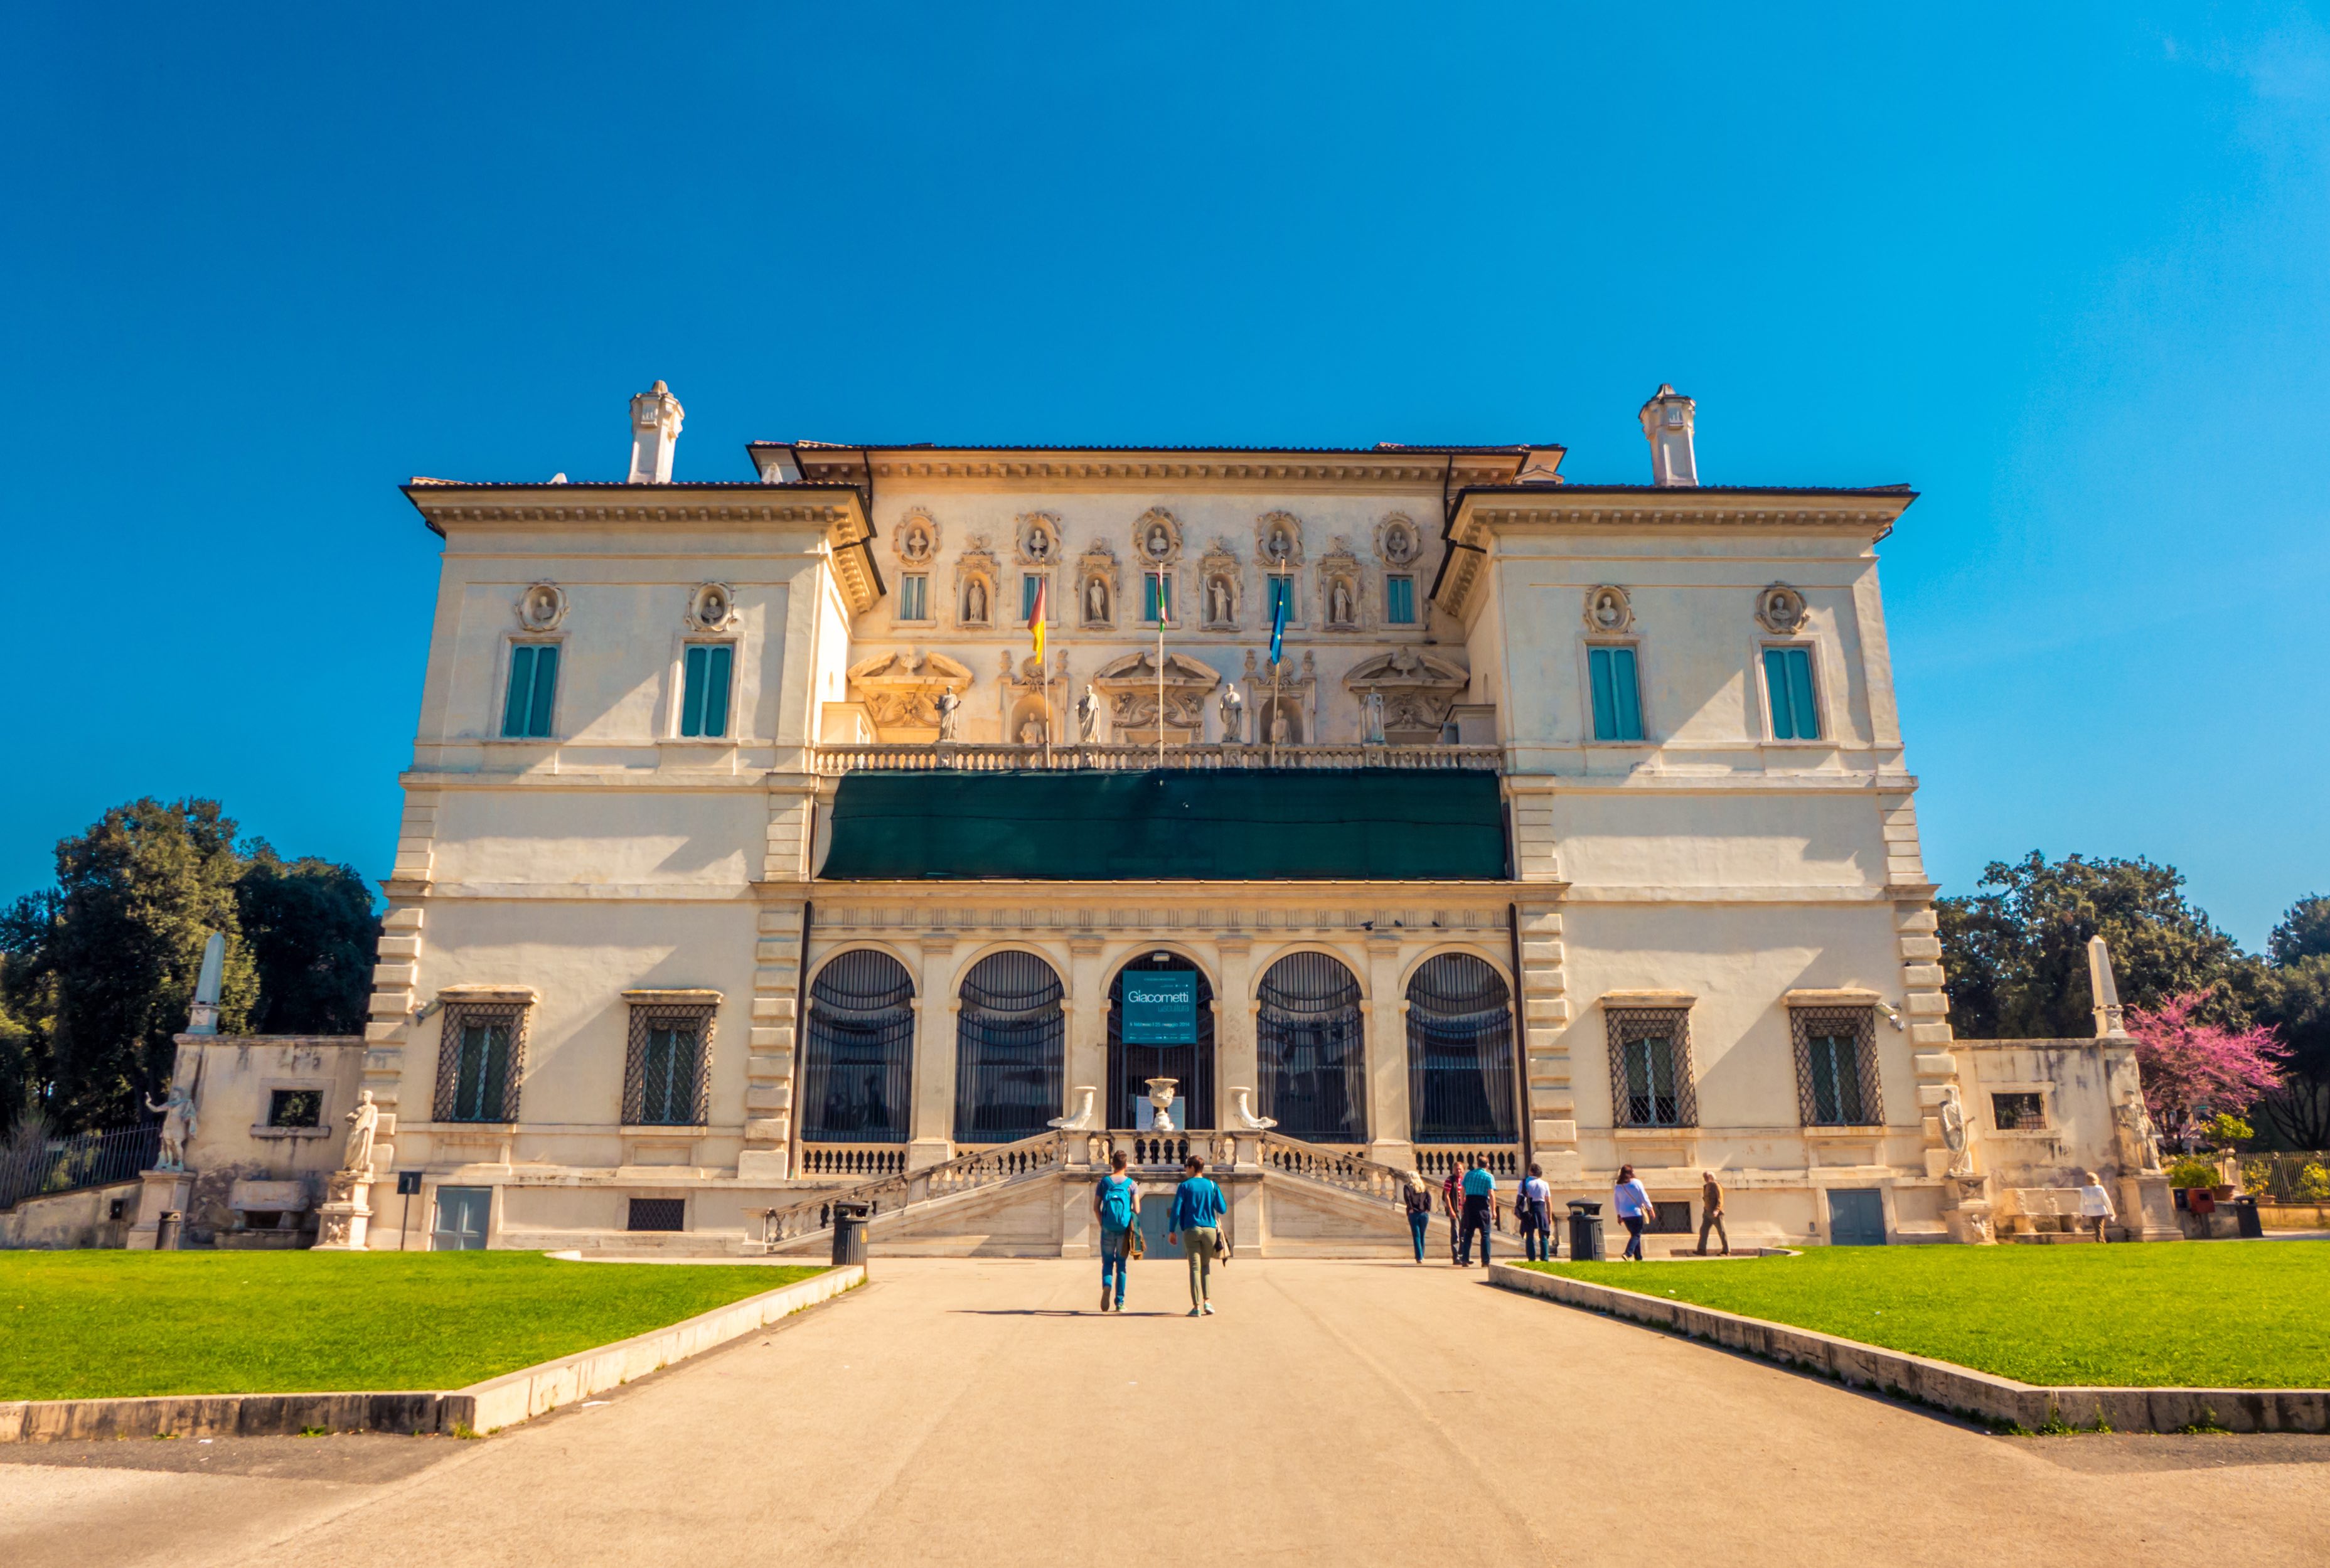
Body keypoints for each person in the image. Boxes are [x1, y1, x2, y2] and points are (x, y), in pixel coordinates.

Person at [1168, 1154, 1227, 1316]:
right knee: (1206, 1266)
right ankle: (1207, 1302)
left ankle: (1196, 1307)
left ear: (1193, 1168)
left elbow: (1176, 1210)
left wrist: (1172, 1230)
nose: (1185, 1170)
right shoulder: (1212, 1185)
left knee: (1194, 1267)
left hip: (1191, 1229)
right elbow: (1222, 1209)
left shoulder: (1185, 1186)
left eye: (1187, 1167)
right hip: (1209, 1230)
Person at [1093, 1149, 1140, 1312]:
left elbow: (1095, 1207)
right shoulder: (1132, 1184)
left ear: (1112, 1164)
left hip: (1107, 1227)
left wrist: (1102, 1223)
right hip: (1123, 1228)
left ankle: (1107, 1286)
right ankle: (1119, 1302)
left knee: (1107, 1262)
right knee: (1121, 1265)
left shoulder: (1104, 1183)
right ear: (1126, 1165)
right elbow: (1137, 1209)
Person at [1457, 1157, 1497, 1267]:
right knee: (1485, 1233)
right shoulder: (1489, 1176)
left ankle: (1465, 1258)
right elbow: (1492, 1194)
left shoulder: (1469, 1174)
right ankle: (1485, 1260)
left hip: (1469, 1204)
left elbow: (1462, 1191)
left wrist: (1462, 1205)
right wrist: (1494, 1210)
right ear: (1487, 1165)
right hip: (1482, 1204)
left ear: (1478, 1164)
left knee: (1468, 1232)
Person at [1613, 1164, 1655, 1261]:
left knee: (1634, 1235)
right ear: (1632, 1172)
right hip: (1636, 1213)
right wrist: (1650, 1208)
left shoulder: (1618, 1186)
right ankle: (1628, 1253)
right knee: (1636, 1234)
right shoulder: (1636, 1183)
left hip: (1624, 1214)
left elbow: (1616, 1202)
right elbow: (1644, 1196)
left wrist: (1619, 1215)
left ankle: (1638, 1257)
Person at [1520, 1162, 1555, 1262]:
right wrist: (1550, 1216)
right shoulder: (1544, 1184)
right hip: (1541, 1209)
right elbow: (1548, 1201)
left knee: (1530, 1235)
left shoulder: (1524, 1183)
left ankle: (1531, 1258)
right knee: (1543, 1235)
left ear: (1531, 1172)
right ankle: (1545, 1258)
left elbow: (1520, 1198)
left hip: (1529, 1209)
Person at [2076, 1170, 2116, 1243]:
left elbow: (2082, 1202)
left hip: (2090, 1211)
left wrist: (2083, 1212)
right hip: (2100, 1210)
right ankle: (2099, 1240)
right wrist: (2111, 1211)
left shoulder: (2084, 1189)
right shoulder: (2100, 1188)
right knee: (2099, 1227)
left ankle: (2101, 1240)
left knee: (2096, 1226)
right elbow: (2107, 1200)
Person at [1696, 1170, 1729, 1256]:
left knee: (1722, 1231)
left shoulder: (1716, 1186)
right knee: (1703, 1230)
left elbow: (1720, 1199)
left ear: (1711, 1177)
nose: (1705, 1179)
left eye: (1706, 1177)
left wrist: (1717, 1210)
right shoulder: (1706, 1187)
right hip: (1707, 1214)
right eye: (1704, 1177)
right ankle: (1702, 1250)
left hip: (1716, 1213)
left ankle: (1726, 1251)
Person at [1403, 1173, 1434, 1264]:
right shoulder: (1423, 1187)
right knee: (1422, 1235)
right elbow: (1429, 1198)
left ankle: (1419, 1257)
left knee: (1416, 1235)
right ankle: (1421, 1255)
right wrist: (1428, 1208)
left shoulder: (1407, 1187)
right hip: (1424, 1213)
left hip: (1414, 1213)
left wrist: (1411, 1208)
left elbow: (1407, 1198)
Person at [1441, 1165, 1464, 1263]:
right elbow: (1447, 1195)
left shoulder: (1463, 1180)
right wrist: (1450, 1209)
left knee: (1463, 1233)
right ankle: (1456, 1257)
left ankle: (1463, 1255)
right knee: (1455, 1232)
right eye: (1456, 1169)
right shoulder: (1450, 1180)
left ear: (1463, 1170)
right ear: (1453, 1170)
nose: (1458, 1171)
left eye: (1460, 1169)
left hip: (1463, 1210)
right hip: (1455, 1209)